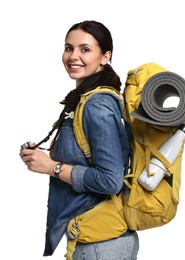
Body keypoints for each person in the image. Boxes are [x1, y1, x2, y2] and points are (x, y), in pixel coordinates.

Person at [20, 20, 139, 259]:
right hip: (101, 237)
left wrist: (51, 167)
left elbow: (109, 181)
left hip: (99, 243)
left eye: (85, 49)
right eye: (68, 48)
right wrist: (42, 156)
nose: (73, 56)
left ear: (105, 57)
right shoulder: (86, 99)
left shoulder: (97, 104)